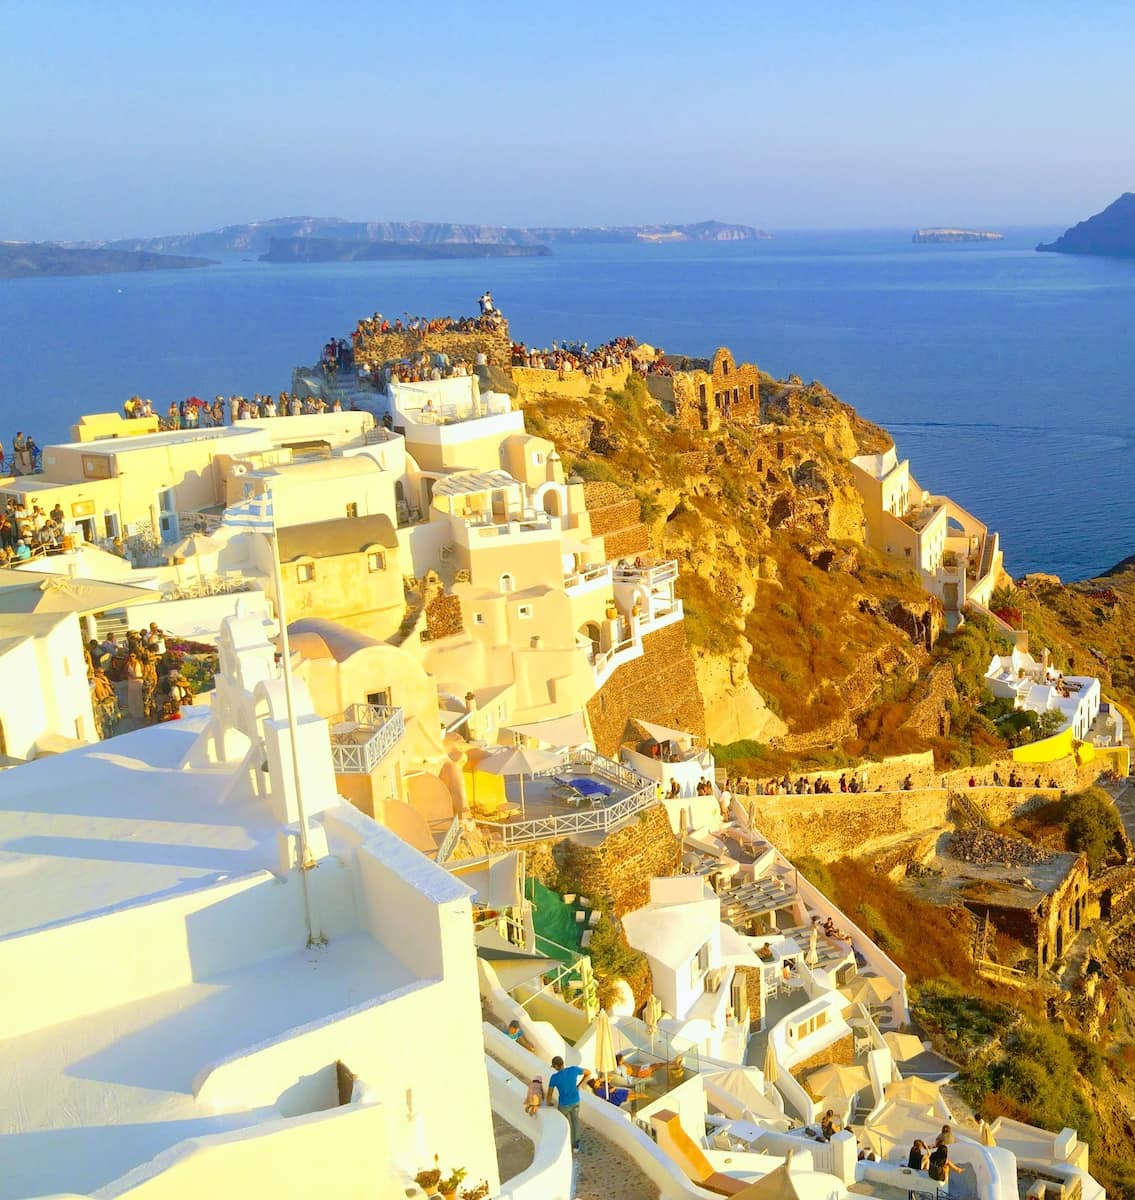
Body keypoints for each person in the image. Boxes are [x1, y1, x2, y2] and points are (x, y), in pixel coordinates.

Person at [547, 1055, 590, 1152]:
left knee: (563, 1123)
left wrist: (549, 1103)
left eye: (554, 1067)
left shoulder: (554, 1077)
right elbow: (588, 1073)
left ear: (556, 1066)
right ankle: (576, 1145)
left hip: (564, 1105)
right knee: (575, 1122)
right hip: (576, 1101)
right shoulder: (573, 1069)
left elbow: (549, 1094)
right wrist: (580, 1085)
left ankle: (564, 1143)